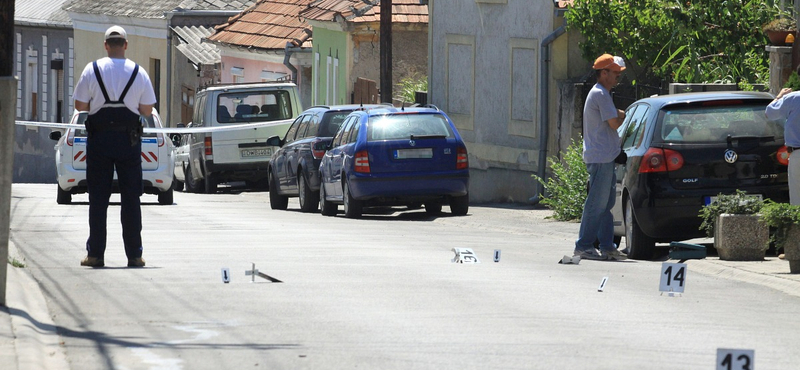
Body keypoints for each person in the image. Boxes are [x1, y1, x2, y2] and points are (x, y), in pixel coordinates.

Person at [73, 26, 157, 267]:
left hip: (99, 140)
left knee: (98, 199)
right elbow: (147, 110)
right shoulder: (139, 72)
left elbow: (80, 105)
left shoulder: (92, 69)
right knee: (131, 198)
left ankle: (95, 254)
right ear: (126, 45)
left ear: (106, 45)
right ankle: (134, 255)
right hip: (128, 141)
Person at [573, 54, 628, 261]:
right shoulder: (601, 94)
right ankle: (584, 246)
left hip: (605, 157)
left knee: (605, 205)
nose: (617, 78)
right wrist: (621, 115)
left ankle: (607, 246)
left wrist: (617, 114)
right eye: (615, 74)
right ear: (603, 73)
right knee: (597, 204)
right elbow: (614, 123)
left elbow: (611, 121)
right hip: (601, 158)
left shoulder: (602, 94)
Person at [766, 87, 800, 206]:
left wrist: (779, 96)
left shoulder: (792, 98)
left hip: (797, 153)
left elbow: (769, 113)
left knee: (797, 200)